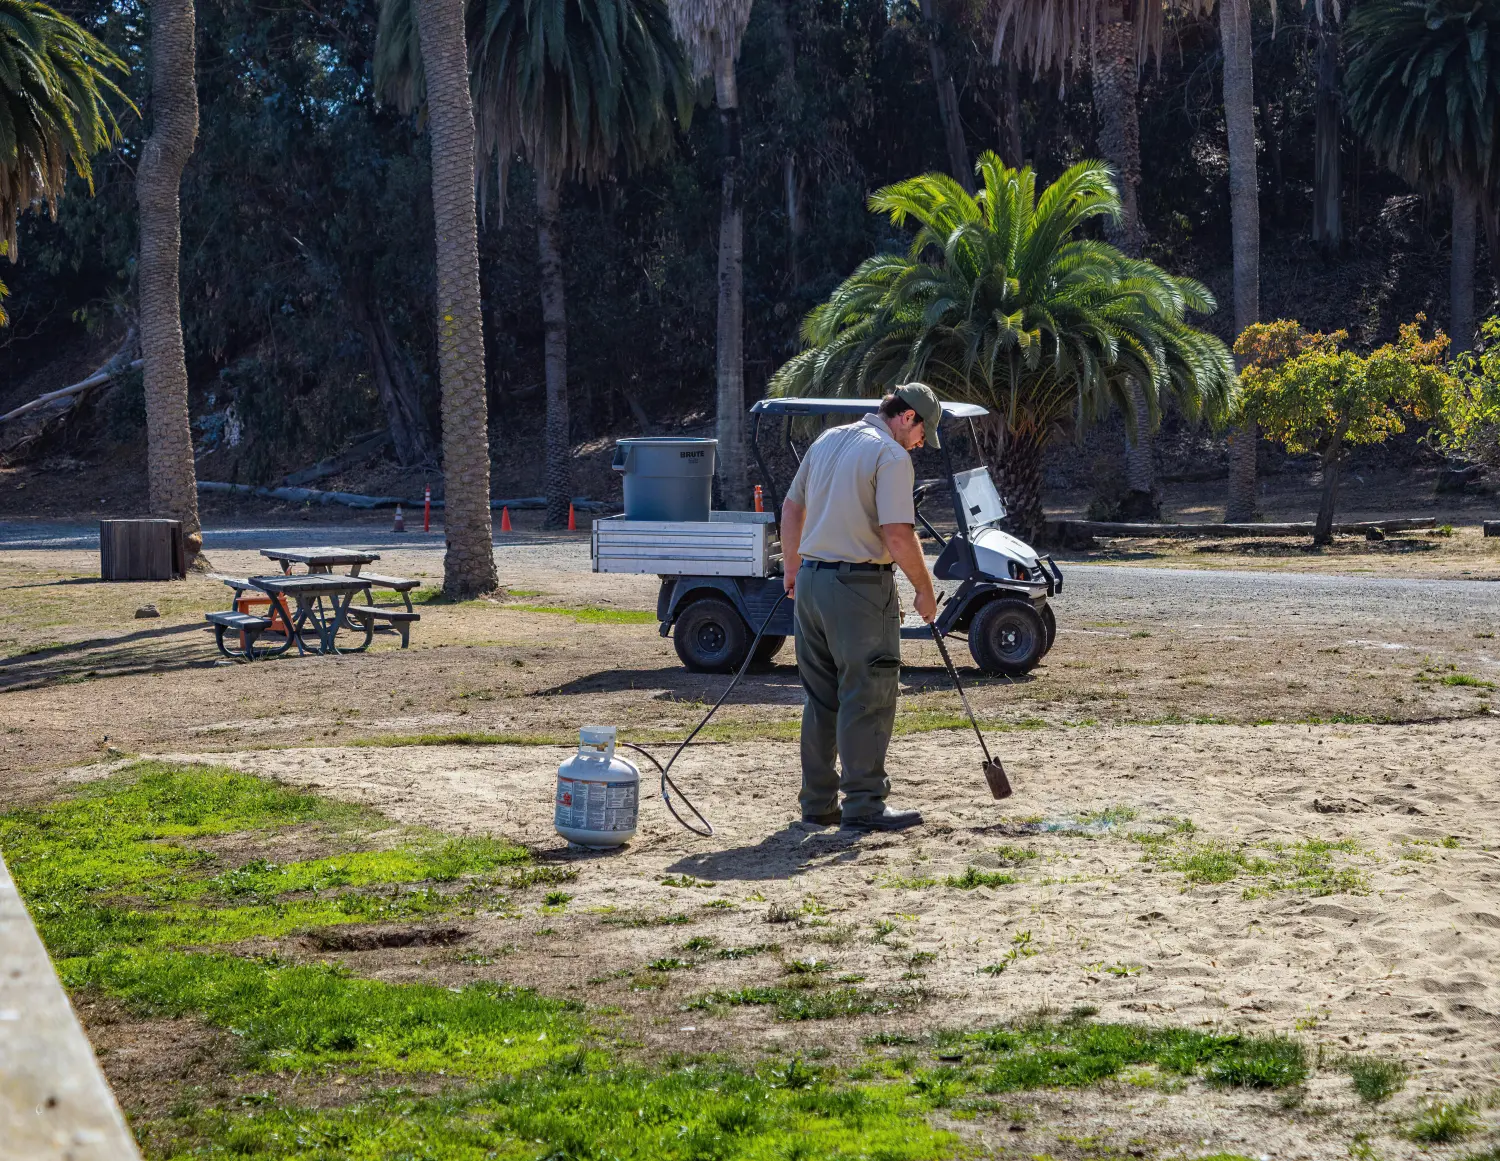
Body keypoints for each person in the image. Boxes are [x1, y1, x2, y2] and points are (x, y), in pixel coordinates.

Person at [779, 384, 943, 831]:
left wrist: (792, 568)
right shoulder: (890, 456)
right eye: (924, 430)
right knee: (868, 694)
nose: (922, 442)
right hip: (860, 586)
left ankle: (817, 802)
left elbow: (792, 508)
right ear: (906, 417)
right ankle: (865, 803)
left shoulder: (828, 439)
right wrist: (924, 590)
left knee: (820, 698)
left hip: (811, 583)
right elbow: (896, 534)